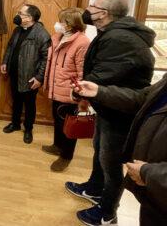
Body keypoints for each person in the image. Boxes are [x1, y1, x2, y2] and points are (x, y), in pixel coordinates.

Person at [64, 0, 155, 226]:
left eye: (93, 5)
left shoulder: (121, 38)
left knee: (111, 162)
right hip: (108, 107)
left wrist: (79, 91)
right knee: (99, 151)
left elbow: (104, 74)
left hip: (121, 111)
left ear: (103, 13)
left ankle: (107, 212)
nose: (88, 8)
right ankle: (94, 188)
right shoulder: (111, 32)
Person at [71, 76, 167, 226]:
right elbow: (141, 98)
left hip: (156, 182)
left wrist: (147, 172)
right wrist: (99, 91)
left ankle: (107, 213)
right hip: (153, 193)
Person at [42, 7, 90, 171]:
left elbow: (83, 71)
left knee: (70, 125)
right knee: (58, 119)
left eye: (62, 21)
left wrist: (81, 94)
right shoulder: (58, 37)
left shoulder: (82, 42)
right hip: (56, 88)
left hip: (70, 91)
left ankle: (66, 156)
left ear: (70, 24)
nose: (58, 24)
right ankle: (57, 145)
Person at [1, 4, 50, 144]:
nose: (17, 15)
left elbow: (46, 58)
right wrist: (5, 62)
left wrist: (39, 77)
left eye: (20, 13)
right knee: (16, 100)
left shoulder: (41, 34)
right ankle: (15, 124)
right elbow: (10, 47)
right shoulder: (17, 30)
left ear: (29, 18)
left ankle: (28, 129)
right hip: (14, 73)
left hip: (31, 77)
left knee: (29, 104)